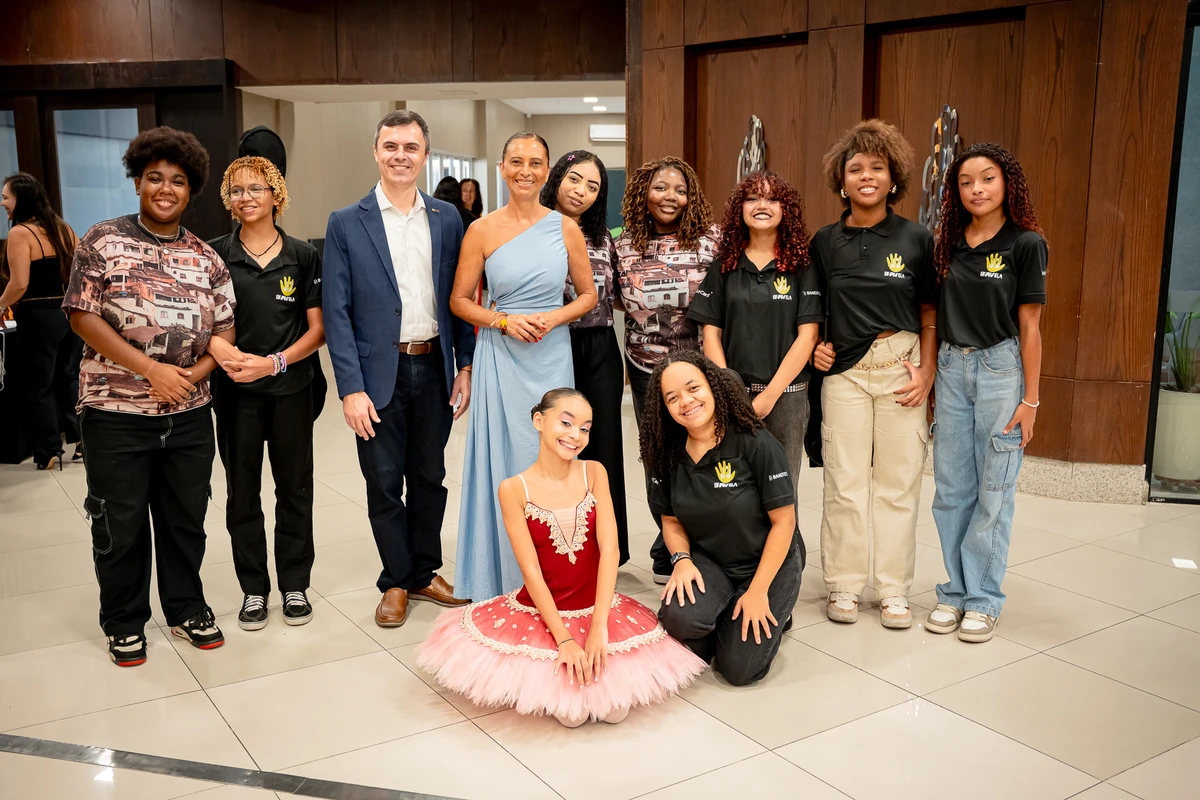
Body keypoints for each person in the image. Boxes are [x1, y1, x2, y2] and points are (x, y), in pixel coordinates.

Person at [418, 389, 705, 726]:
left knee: (615, 711)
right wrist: (565, 639)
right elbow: (531, 571)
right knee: (571, 715)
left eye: (585, 428)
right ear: (539, 420)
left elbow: (610, 550)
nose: (575, 435)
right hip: (545, 612)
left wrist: (599, 628)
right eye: (566, 423)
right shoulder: (513, 489)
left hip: (597, 606)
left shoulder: (594, 472)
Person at [63, 126, 235, 666]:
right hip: (115, 414)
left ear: (191, 190)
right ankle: (124, 620)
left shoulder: (207, 258)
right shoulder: (102, 240)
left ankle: (186, 608)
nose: (166, 188)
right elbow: (81, 315)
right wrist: (149, 369)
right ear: (138, 181)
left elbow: (225, 331)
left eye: (178, 181)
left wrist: (191, 375)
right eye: (155, 177)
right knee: (120, 522)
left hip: (188, 415)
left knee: (185, 518)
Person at [323, 110, 475, 629]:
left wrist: (466, 364)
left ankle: (424, 572)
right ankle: (395, 579)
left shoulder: (447, 218)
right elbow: (338, 313)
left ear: (425, 155)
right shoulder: (347, 222)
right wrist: (350, 389)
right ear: (376, 152)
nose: (400, 156)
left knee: (430, 477)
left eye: (411, 147)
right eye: (391, 146)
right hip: (377, 375)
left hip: (434, 365)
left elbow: (459, 298)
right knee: (385, 482)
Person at [449, 132, 597, 601]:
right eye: (516, 161)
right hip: (501, 354)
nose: (526, 170)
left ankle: (557, 577)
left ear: (547, 170)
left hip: (552, 355)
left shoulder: (565, 228)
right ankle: (500, 576)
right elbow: (458, 300)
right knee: (506, 462)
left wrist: (554, 316)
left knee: (553, 454)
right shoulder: (482, 230)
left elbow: (589, 295)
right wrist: (503, 321)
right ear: (501, 167)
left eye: (536, 162)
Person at [810, 119, 937, 630]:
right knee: (844, 482)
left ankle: (893, 590)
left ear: (893, 177)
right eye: (855, 168)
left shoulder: (916, 237)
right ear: (842, 179)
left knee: (898, 484)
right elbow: (813, 309)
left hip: (902, 366)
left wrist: (927, 370)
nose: (866, 176)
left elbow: (929, 311)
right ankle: (842, 583)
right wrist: (817, 346)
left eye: (876, 167)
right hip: (845, 374)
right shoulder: (825, 240)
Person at [927, 143, 1047, 643]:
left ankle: (984, 598)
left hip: (1001, 369)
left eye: (988, 178)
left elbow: (1031, 327)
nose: (976, 189)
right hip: (953, 367)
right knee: (951, 490)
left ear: (1008, 184)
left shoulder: (1026, 243)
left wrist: (1031, 399)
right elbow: (932, 316)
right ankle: (955, 591)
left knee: (993, 490)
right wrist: (933, 375)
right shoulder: (948, 243)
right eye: (966, 182)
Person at [208, 156, 325, 631]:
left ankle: (294, 582)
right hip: (236, 393)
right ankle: (254, 590)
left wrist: (273, 362)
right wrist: (231, 358)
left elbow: (318, 330)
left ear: (276, 195)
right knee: (242, 494)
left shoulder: (302, 255)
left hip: (291, 388)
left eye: (256, 188)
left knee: (294, 488)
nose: (246, 197)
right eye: (236, 190)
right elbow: (205, 323)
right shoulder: (214, 254)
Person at [646, 351, 803, 686]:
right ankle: (722, 611)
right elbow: (670, 521)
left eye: (693, 389)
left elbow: (784, 523)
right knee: (679, 620)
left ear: (713, 386)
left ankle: (776, 608)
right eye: (672, 398)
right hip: (710, 560)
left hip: (765, 562)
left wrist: (759, 591)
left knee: (738, 670)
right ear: (664, 407)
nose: (686, 402)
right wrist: (682, 560)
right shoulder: (665, 455)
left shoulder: (756, 443)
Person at [688, 170, 821, 506]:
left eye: (773, 198)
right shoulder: (724, 266)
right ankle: (744, 557)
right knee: (735, 486)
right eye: (753, 198)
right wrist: (730, 390)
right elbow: (710, 333)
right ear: (740, 209)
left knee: (782, 486)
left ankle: (785, 558)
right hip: (733, 396)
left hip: (787, 397)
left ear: (785, 209)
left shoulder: (802, 266)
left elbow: (808, 337)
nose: (762, 205)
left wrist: (769, 396)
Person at [615, 156, 719, 582]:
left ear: (690, 196)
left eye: (679, 189)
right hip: (645, 369)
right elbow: (616, 300)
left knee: (702, 452)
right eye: (660, 188)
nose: (670, 197)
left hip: (701, 368)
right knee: (658, 456)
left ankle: (704, 541)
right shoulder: (623, 245)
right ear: (643, 192)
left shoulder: (713, 240)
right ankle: (667, 544)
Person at [539, 150, 629, 563]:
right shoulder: (533, 230)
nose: (582, 191)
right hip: (551, 347)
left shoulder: (601, 236)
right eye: (575, 179)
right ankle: (556, 548)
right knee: (555, 446)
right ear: (557, 178)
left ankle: (607, 550)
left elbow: (619, 297)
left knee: (603, 449)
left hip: (599, 349)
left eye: (593, 186)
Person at [0, 173, 82, 470]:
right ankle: (82, 441)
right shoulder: (65, 229)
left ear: (21, 200)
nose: (2, 203)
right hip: (70, 315)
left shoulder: (20, 233)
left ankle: (48, 450)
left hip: (39, 317)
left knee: (39, 385)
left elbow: (19, 284)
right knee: (69, 377)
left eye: (6, 197)